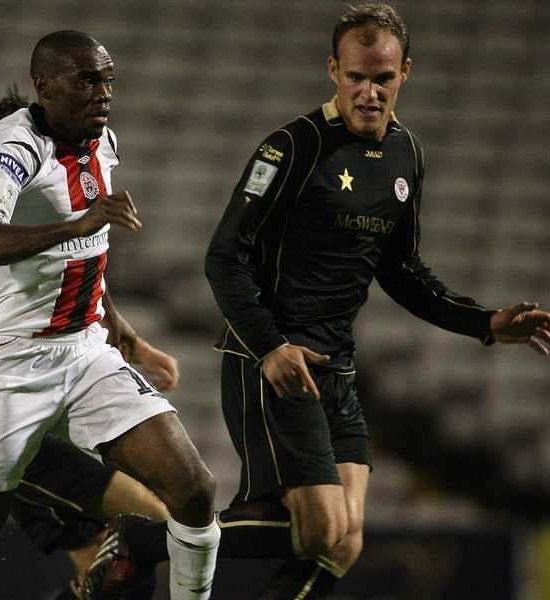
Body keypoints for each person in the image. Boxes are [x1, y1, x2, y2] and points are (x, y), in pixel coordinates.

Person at [198, 3, 550, 598]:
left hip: (338, 365)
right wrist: (270, 346)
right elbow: (223, 257)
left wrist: (485, 323)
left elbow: (401, 269)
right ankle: (141, 542)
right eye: (355, 76)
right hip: (275, 363)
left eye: (382, 78)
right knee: (320, 530)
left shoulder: (406, 155)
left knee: (346, 539)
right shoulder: (293, 147)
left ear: (404, 74)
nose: (368, 92)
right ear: (333, 70)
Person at [0, 30, 221, 600]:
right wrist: (75, 225)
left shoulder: (102, 141)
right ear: (45, 86)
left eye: (108, 79)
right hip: (6, 365)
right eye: (88, 80)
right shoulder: (10, 144)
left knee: (194, 490)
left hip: (84, 351)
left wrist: (126, 335)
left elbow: (84, 256)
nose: (103, 92)